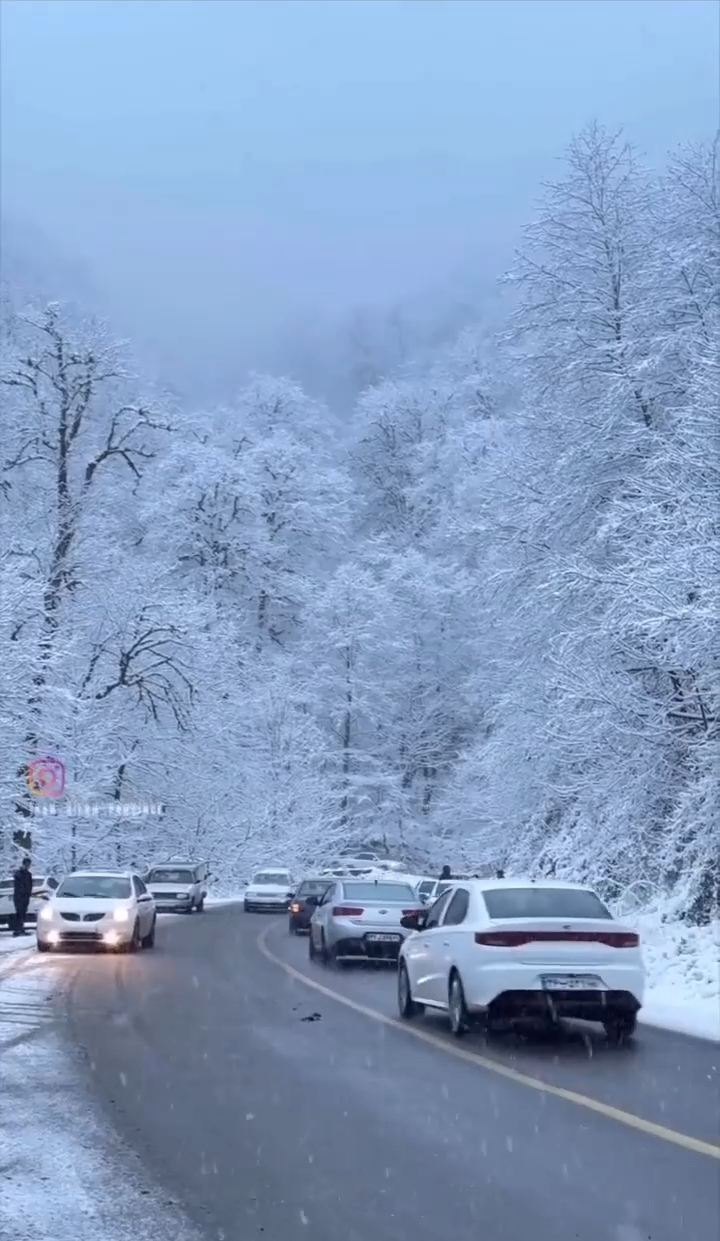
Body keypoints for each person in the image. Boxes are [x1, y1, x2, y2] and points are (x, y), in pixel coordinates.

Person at [12, 857, 33, 936]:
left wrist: (28, 893)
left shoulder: (28, 874)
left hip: (25, 897)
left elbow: (30, 885)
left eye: (29, 865)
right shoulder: (19, 873)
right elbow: (19, 885)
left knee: (23, 913)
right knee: (19, 913)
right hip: (19, 897)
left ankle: (21, 928)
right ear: (24, 864)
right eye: (27, 864)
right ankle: (17, 930)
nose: (28, 866)